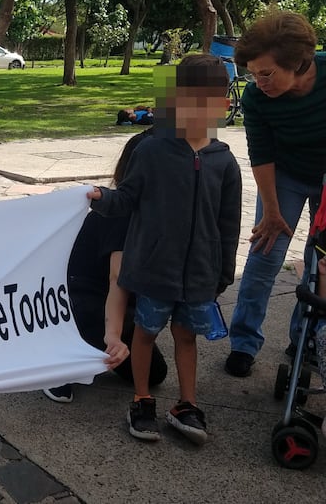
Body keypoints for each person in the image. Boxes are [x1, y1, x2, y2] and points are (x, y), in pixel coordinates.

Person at [88, 54, 242, 444]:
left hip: (199, 275)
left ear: (222, 105)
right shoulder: (152, 151)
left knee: (186, 337)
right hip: (153, 270)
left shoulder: (225, 163)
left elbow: (228, 225)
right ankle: (142, 400)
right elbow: (126, 199)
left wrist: (223, 272)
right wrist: (99, 197)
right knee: (145, 333)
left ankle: (186, 404)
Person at [225, 11, 326, 378]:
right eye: (252, 73)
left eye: (266, 73)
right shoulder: (256, 98)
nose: (258, 82)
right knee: (265, 254)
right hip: (284, 173)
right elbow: (261, 153)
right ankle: (244, 342)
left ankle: (307, 338)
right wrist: (270, 210)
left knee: (321, 261)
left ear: (299, 62)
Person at [43, 128, 168, 404]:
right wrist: (115, 335)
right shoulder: (120, 211)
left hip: (120, 303)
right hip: (83, 300)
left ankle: (99, 343)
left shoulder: (160, 209)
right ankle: (57, 364)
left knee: (154, 374)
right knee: (99, 346)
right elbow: (117, 279)